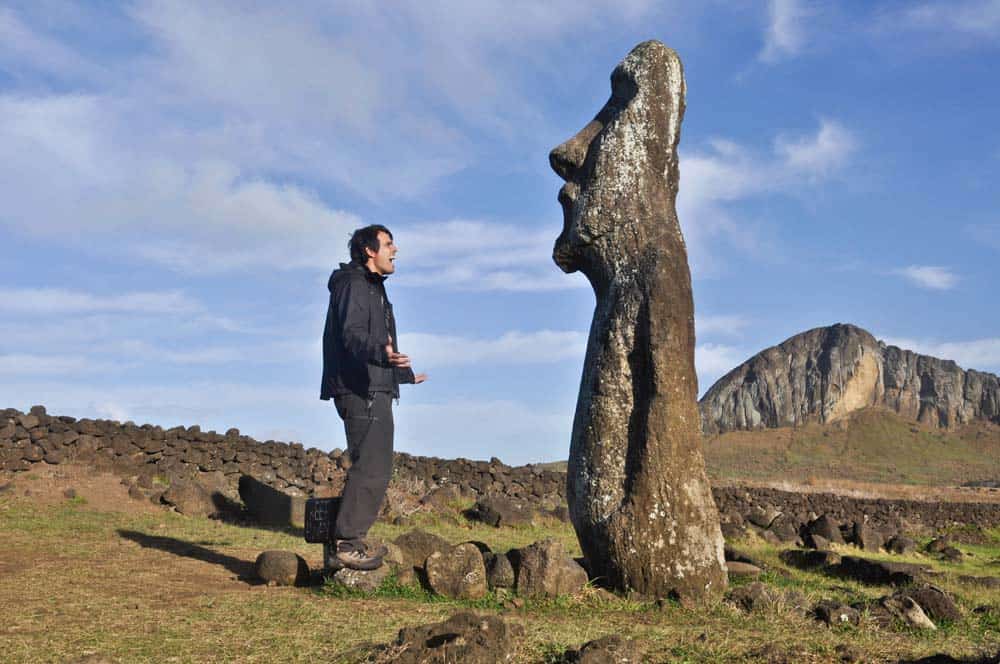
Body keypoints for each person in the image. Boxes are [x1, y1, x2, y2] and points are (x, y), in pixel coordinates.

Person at [320, 224, 426, 570]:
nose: (395, 250)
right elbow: (351, 336)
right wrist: (383, 355)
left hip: (375, 386)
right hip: (359, 389)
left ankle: (344, 541)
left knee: (374, 466)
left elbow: (381, 346)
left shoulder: (374, 289)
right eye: (389, 243)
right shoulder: (353, 285)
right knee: (372, 467)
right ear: (369, 250)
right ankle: (346, 544)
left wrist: (402, 374)